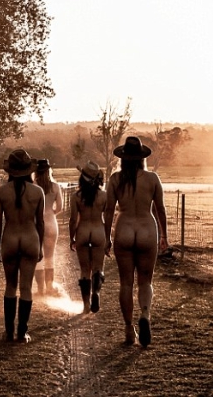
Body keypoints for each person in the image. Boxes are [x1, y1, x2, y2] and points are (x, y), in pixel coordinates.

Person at [104, 136, 168, 347]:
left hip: (124, 228)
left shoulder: (115, 179)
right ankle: (145, 315)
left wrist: (107, 237)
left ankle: (129, 329)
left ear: (122, 158)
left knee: (125, 283)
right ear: (142, 158)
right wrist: (164, 236)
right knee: (145, 281)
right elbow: (160, 209)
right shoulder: (152, 179)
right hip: (147, 229)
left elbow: (109, 209)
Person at [0, 149, 44, 343]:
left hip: (10, 238)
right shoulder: (37, 192)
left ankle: (8, 332)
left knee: (10, 285)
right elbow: (40, 222)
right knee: (26, 287)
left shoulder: (1, 192)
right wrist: (40, 247)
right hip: (31, 238)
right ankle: (22, 332)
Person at [69, 161, 107, 313]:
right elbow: (108, 217)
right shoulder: (104, 196)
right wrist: (109, 236)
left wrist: (72, 238)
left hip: (83, 232)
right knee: (98, 267)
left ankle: (85, 305)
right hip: (98, 231)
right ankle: (96, 293)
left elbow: (73, 220)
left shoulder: (76, 196)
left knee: (85, 270)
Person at [33, 158, 63, 295]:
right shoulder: (55, 187)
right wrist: (51, 213)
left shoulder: (33, 186)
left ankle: (40, 289)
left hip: (36, 223)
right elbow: (60, 208)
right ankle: (49, 287)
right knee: (50, 257)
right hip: (51, 222)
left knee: (38, 257)